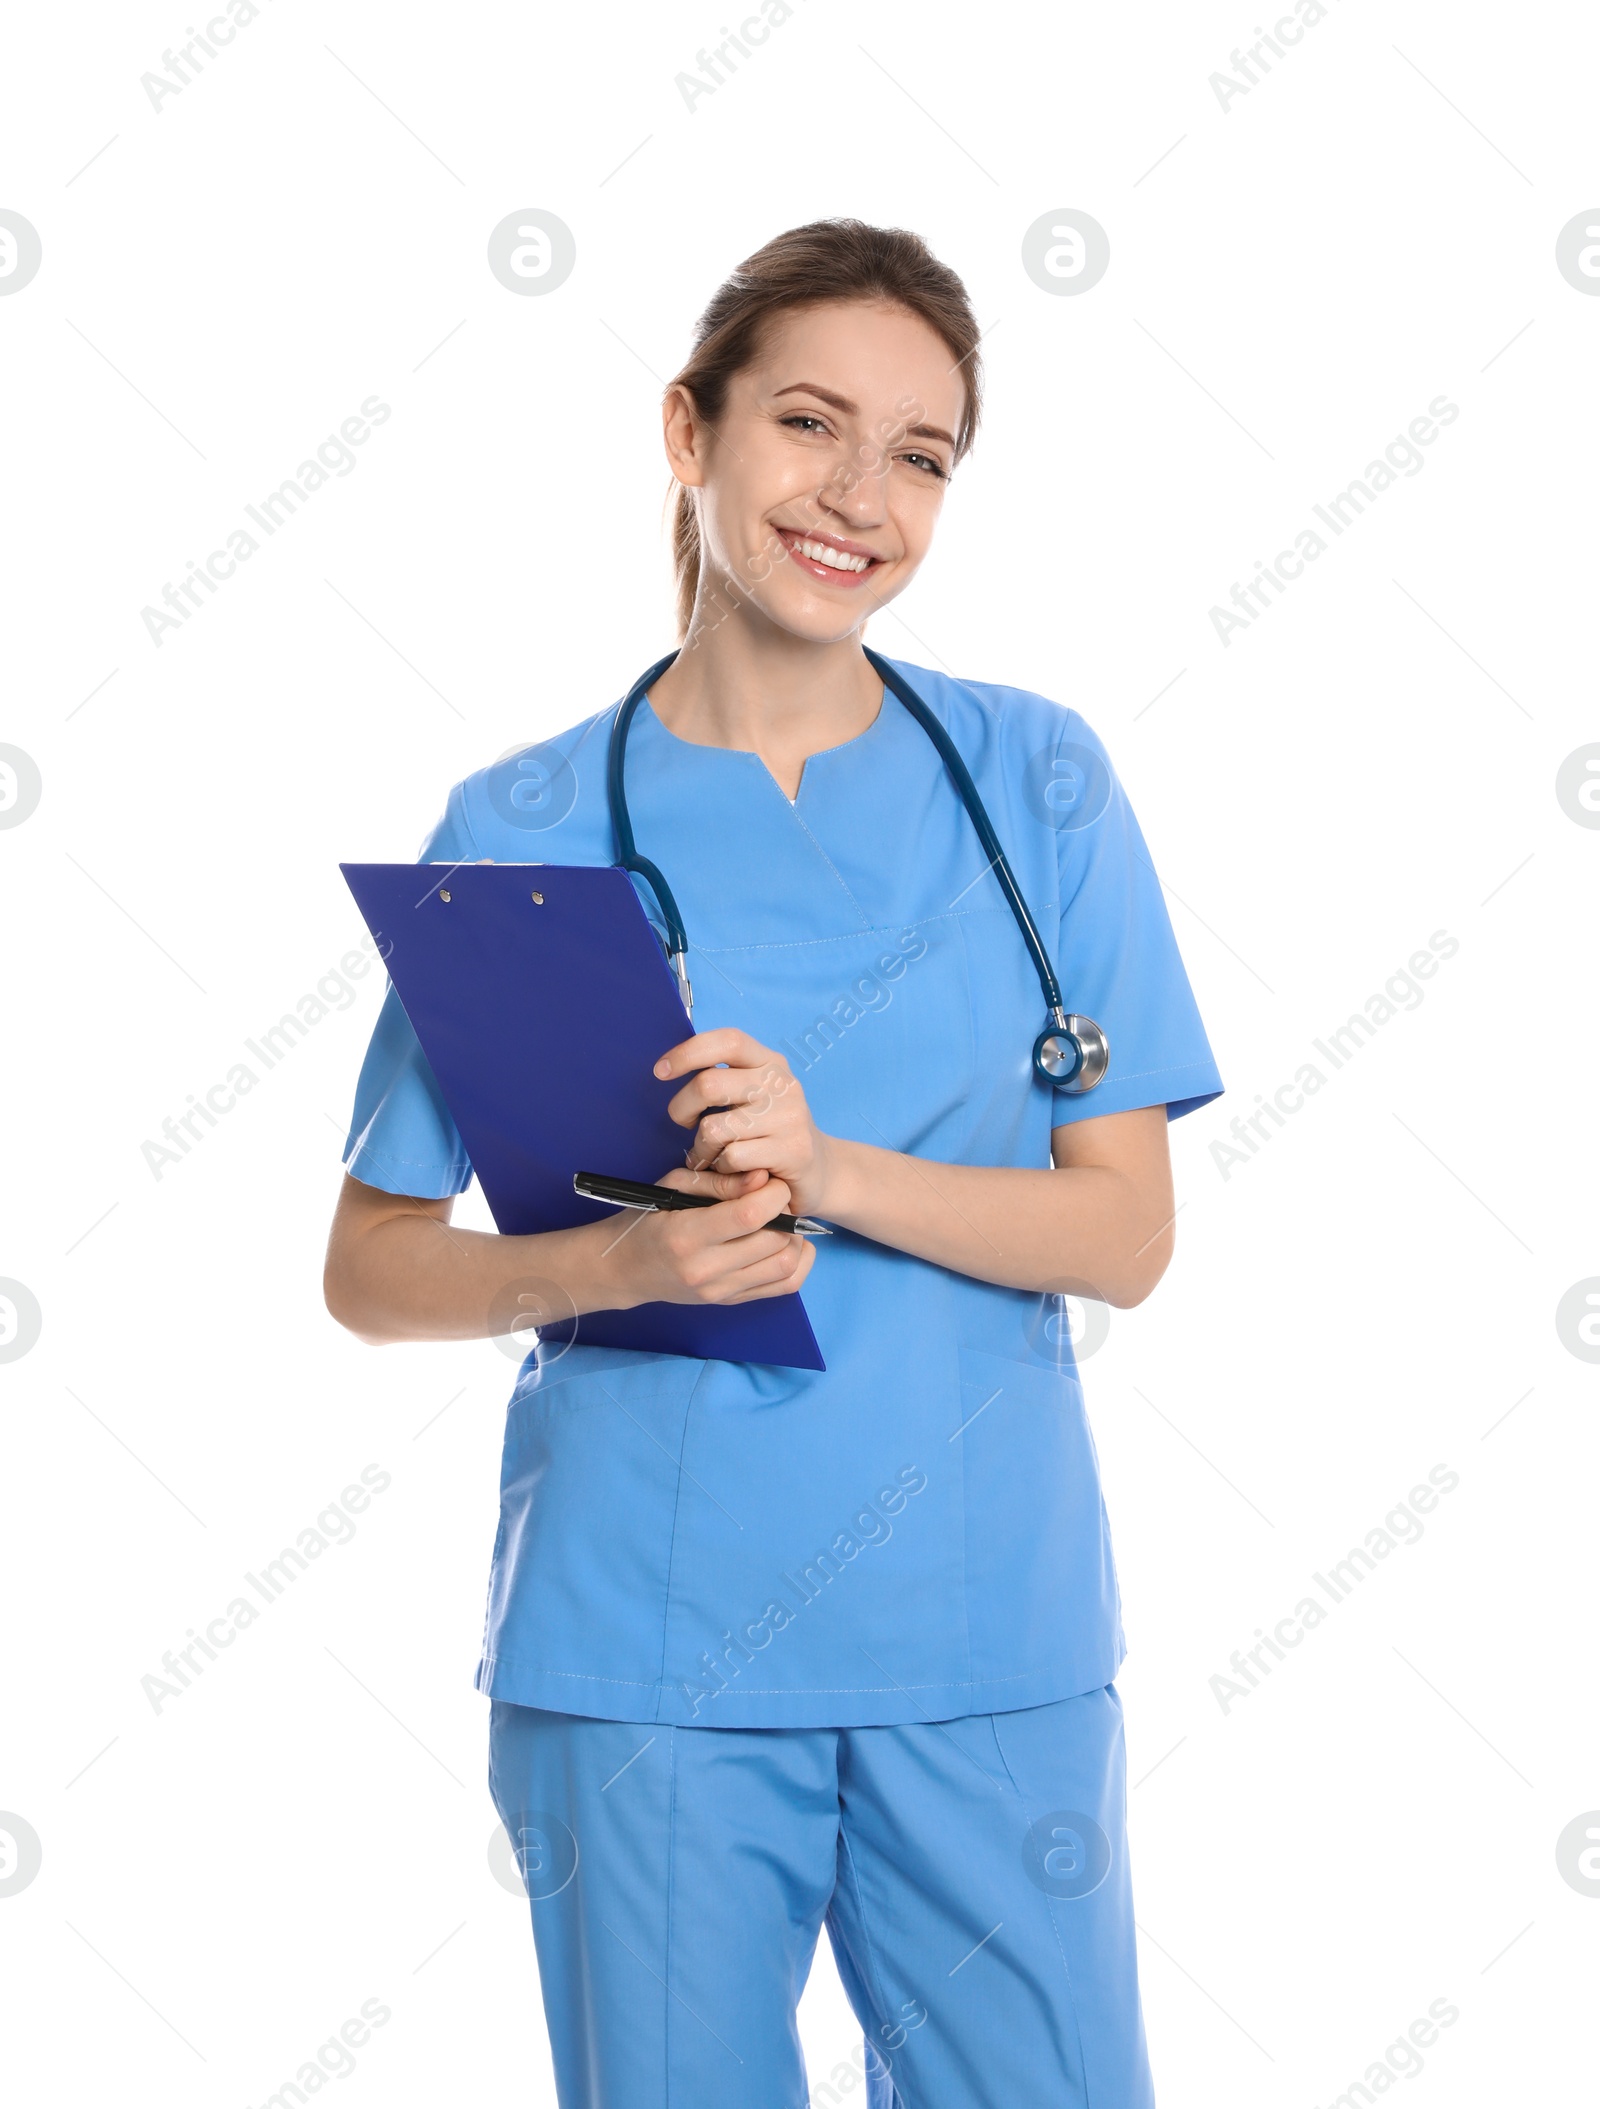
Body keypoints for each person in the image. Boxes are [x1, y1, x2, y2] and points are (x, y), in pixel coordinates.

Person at [325, 218, 1223, 2109]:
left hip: (987, 1636)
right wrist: (606, 1272)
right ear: (690, 431)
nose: (861, 496)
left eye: (922, 454)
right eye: (810, 423)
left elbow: (1128, 1235)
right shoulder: (526, 819)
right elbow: (374, 1261)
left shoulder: (1035, 780)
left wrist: (833, 1165)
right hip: (645, 1652)